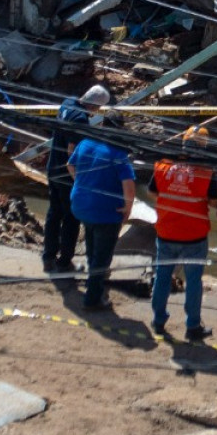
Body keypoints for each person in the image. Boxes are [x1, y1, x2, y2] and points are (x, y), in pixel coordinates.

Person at [67, 101, 137, 311]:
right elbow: (129, 187)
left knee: (92, 244)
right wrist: (128, 209)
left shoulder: (87, 142)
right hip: (106, 212)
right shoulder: (118, 155)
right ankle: (93, 299)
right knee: (102, 256)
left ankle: (94, 277)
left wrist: (82, 183)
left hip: (81, 205)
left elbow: (70, 164)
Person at [149, 125, 217, 338]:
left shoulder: (163, 167)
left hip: (166, 233)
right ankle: (193, 326)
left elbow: (152, 193)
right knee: (194, 282)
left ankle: (158, 320)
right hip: (194, 237)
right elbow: (214, 202)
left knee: (162, 277)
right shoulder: (206, 173)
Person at [44, 84, 112, 276]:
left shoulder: (67, 103)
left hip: (52, 168)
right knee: (71, 219)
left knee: (53, 213)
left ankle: (48, 257)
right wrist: (79, 180)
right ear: (95, 106)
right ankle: (64, 262)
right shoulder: (81, 120)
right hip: (67, 175)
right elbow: (71, 152)